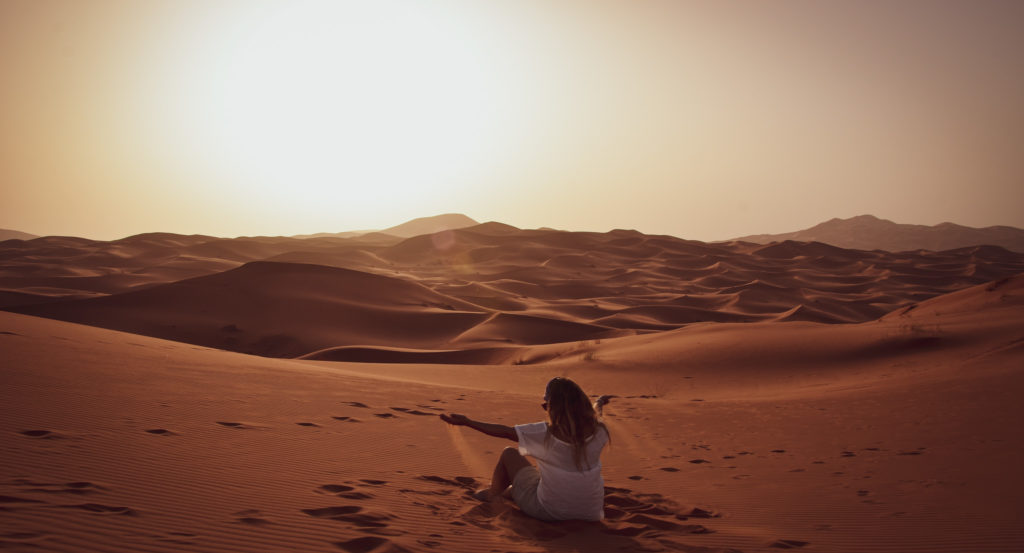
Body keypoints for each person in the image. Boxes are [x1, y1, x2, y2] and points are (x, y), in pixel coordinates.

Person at [440, 377, 612, 521]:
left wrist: (468, 422)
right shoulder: (600, 431)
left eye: (547, 405)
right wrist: (599, 402)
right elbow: (597, 414)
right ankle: (506, 492)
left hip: (549, 511)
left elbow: (506, 432)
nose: (546, 409)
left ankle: (492, 495)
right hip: (591, 512)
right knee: (533, 479)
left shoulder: (546, 434)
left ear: (555, 408)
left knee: (509, 453)